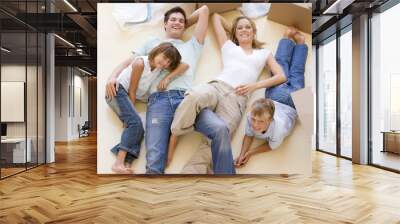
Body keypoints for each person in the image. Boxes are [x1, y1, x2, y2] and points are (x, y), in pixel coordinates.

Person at [168, 14, 287, 174]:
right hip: (217, 87)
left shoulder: (264, 54)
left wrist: (254, 86)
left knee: (217, 140)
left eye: (248, 27)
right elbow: (216, 17)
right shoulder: (229, 46)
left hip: (237, 99)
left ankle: (189, 177)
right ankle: (176, 133)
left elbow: (281, 76)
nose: (244, 30)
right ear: (234, 32)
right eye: (240, 28)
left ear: (254, 31)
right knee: (195, 95)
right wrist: (237, 29)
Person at [106, 6, 209, 174]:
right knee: (153, 156)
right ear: (164, 24)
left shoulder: (193, 45)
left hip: (187, 97)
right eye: (173, 20)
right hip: (158, 100)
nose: (178, 22)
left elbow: (204, 10)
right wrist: (112, 76)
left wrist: (180, 26)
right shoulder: (152, 43)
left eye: (182, 21)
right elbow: (129, 62)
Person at [105, 42, 187, 174]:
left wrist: (167, 78)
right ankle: (118, 163)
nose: (165, 63)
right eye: (164, 57)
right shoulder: (140, 63)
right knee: (134, 123)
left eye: (168, 61)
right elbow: (132, 90)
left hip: (126, 95)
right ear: (157, 51)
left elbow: (185, 65)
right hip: (117, 92)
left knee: (140, 127)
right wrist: (129, 117)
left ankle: (127, 162)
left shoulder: (159, 68)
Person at [235, 27, 308, 167]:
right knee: (293, 70)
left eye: (260, 121)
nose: (255, 124)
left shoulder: (277, 131)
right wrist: (243, 154)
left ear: (271, 119)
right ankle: (298, 43)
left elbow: (269, 145)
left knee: (287, 68)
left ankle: (294, 40)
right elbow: (250, 136)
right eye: (255, 120)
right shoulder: (252, 118)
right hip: (292, 102)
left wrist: (250, 153)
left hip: (278, 98)